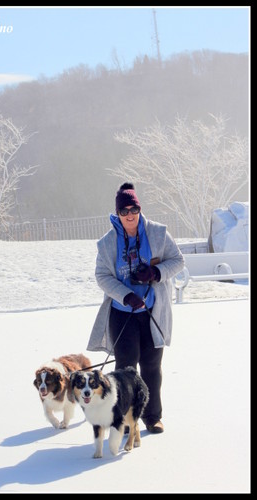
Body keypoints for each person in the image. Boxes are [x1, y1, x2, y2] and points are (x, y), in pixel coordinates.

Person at [87, 182, 185, 433]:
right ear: (117, 214)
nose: (129, 215)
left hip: (153, 311)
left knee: (152, 366)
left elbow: (178, 260)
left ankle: (153, 417)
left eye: (133, 209)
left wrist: (155, 271)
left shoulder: (158, 233)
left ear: (139, 209)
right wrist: (126, 295)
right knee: (125, 368)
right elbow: (102, 276)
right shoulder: (107, 243)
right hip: (123, 314)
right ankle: (124, 420)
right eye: (124, 211)